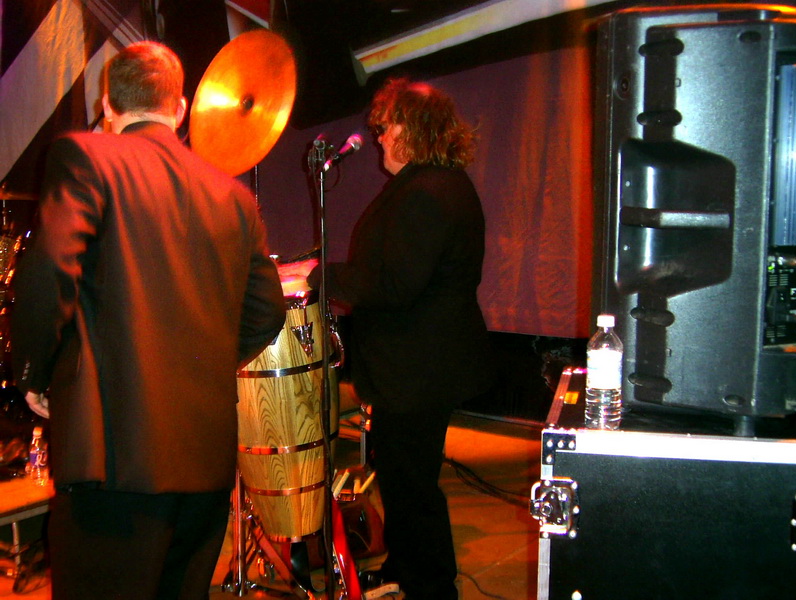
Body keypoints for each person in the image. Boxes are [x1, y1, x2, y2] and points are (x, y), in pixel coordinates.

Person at [10, 41, 286, 600]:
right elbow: (266, 312)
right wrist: (201, 364)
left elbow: (49, 273)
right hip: (205, 463)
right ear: (179, 109)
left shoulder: (86, 157)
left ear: (109, 106)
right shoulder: (234, 196)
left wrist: (36, 372)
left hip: (114, 461)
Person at [309, 78, 495, 599]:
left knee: (411, 485)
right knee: (401, 476)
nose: (379, 138)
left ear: (413, 129)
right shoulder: (436, 183)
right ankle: (403, 571)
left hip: (418, 369)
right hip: (419, 365)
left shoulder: (427, 193)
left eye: (386, 127)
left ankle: (429, 586)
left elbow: (394, 283)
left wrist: (322, 277)